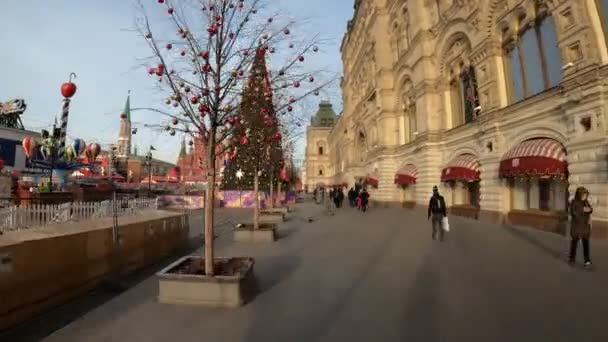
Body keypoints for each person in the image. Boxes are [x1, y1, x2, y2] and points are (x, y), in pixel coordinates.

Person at [569, 187, 593, 268]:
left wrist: (589, 210)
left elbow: (591, 209)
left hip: (585, 227)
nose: (585, 197)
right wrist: (583, 210)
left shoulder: (586, 202)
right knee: (574, 243)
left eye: (586, 195)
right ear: (579, 194)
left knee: (586, 244)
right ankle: (572, 259)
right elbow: (573, 213)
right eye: (584, 195)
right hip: (577, 227)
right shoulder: (574, 202)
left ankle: (587, 260)